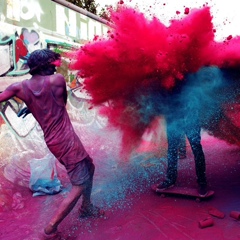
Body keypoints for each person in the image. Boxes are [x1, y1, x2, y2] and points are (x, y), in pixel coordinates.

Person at [0, 49, 103, 238]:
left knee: (90, 166)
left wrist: (32, 107)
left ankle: (86, 207)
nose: (55, 68)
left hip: (55, 140)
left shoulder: (18, 87)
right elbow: (61, 102)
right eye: (52, 64)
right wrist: (37, 105)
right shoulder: (57, 81)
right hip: (66, 140)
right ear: (45, 65)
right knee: (79, 184)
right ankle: (50, 229)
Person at [155, 77, 208, 197]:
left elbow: (199, 88)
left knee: (196, 148)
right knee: (172, 148)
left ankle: (202, 182)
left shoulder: (189, 70)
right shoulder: (165, 71)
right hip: (173, 115)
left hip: (190, 113)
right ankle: (170, 179)